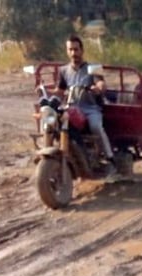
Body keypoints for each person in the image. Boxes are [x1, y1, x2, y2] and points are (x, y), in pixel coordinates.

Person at [57, 35, 115, 176]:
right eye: (70, 50)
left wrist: (99, 87)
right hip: (71, 109)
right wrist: (44, 92)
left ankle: (109, 159)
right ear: (67, 51)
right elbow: (59, 90)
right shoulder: (63, 70)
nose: (73, 53)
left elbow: (101, 83)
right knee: (54, 124)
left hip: (90, 109)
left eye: (76, 49)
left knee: (95, 126)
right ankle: (67, 154)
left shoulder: (92, 68)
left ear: (82, 50)